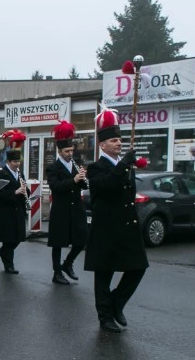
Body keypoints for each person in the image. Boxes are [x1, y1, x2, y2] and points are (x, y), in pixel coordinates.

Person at [84, 107, 149, 333]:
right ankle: (105, 317)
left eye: (120, 139)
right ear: (103, 145)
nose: (119, 143)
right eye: (114, 140)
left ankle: (116, 303)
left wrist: (125, 166)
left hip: (127, 228)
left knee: (138, 267)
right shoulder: (95, 168)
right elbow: (106, 186)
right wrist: (123, 166)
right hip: (106, 229)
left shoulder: (125, 166)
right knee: (104, 274)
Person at [46, 121, 88, 285]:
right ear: (60, 151)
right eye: (67, 151)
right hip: (61, 209)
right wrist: (74, 180)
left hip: (76, 208)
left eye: (71, 150)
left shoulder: (75, 165)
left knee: (81, 239)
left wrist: (83, 178)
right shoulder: (53, 168)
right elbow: (55, 186)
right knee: (58, 243)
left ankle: (67, 263)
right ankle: (57, 273)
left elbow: (83, 185)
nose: (70, 153)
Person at [0, 130, 28, 274]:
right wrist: (14, 192)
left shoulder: (20, 173)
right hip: (6, 211)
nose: (17, 164)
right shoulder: (1, 174)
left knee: (19, 237)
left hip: (18, 210)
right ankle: (9, 265)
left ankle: (3, 252)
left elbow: (24, 187)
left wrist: (26, 191)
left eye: (18, 161)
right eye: (14, 162)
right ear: (8, 162)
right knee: (9, 239)